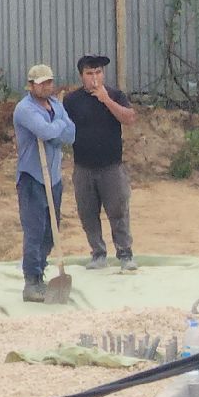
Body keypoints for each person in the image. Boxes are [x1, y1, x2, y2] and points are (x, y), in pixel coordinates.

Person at [62, 54, 138, 270]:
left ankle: (125, 254)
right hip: (83, 167)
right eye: (89, 73)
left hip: (111, 167)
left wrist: (106, 100)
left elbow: (130, 118)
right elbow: (63, 126)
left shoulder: (115, 95)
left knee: (118, 210)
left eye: (98, 72)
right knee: (87, 212)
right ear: (81, 76)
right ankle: (98, 253)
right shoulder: (72, 100)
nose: (94, 77)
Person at [13, 63, 77, 302]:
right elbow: (47, 133)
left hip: (54, 177)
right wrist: (57, 126)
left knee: (51, 231)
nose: (47, 86)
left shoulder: (56, 106)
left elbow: (71, 134)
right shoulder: (24, 109)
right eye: (41, 83)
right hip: (32, 177)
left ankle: (42, 270)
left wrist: (56, 126)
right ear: (31, 85)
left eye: (49, 82)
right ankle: (32, 281)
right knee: (35, 230)